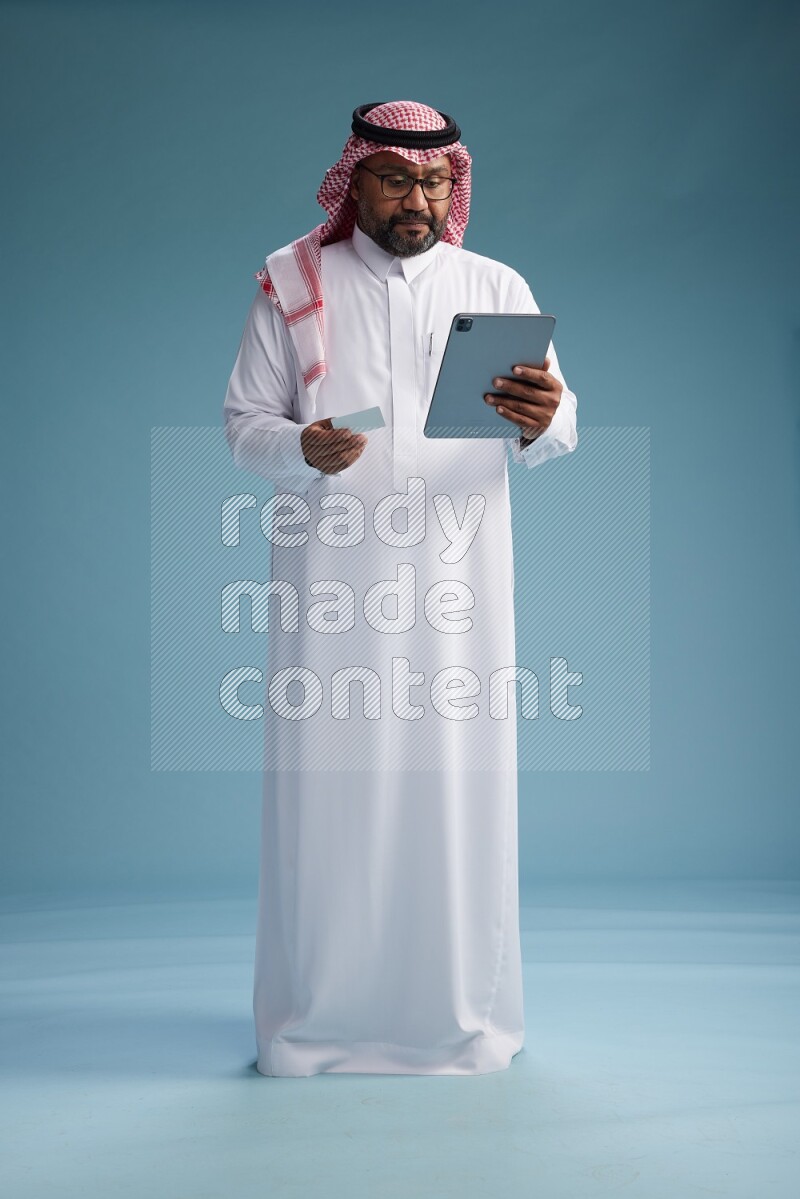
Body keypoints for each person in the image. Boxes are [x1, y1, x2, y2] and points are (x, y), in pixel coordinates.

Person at [223, 100, 578, 1077]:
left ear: (451, 185)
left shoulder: (489, 283)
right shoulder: (294, 281)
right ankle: (311, 1025)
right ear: (354, 181)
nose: (416, 198)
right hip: (330, 591)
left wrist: (544, 415)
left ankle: (454, 1025)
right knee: (325, 797)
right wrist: (300, 444)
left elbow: (556, 425)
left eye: (433, 182)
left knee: (456, 794)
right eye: (393, 178)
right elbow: (243, 422)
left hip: (458, 592)